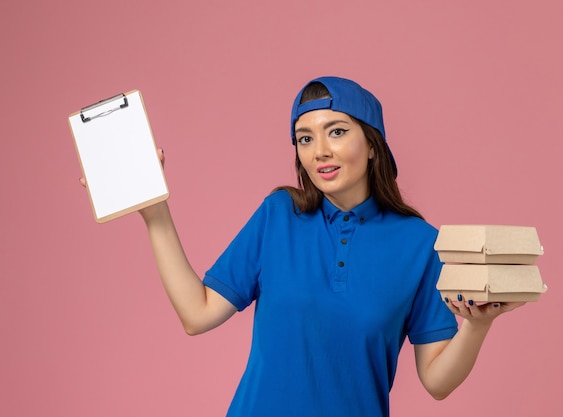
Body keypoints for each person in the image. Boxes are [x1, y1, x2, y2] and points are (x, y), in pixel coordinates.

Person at [100, 76, 524, 416]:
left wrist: (477, 326)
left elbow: (436, 382)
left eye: (336, 132)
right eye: (304, 138)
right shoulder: (279, 214)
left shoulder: (421, 244)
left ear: (373, 145)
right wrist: (155, 214)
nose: (320, 151)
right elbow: (197, 313)